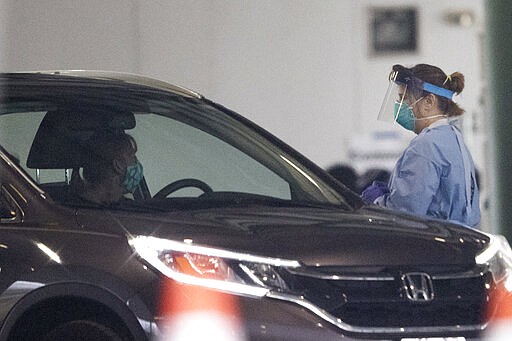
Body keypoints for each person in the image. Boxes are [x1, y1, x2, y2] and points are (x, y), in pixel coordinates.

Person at [361, 64, 480, 227]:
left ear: (428, 102)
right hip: (455, 241)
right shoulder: (454, 138)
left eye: (404, 99)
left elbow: (405, 216)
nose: (398, 106)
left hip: (431, 246)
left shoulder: (425, 145)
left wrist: (377, 201)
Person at [72, 131, 144, 205]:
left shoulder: (70, 207)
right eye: (132, 156)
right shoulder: (129, 211)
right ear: (117, 165)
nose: (136, 162)